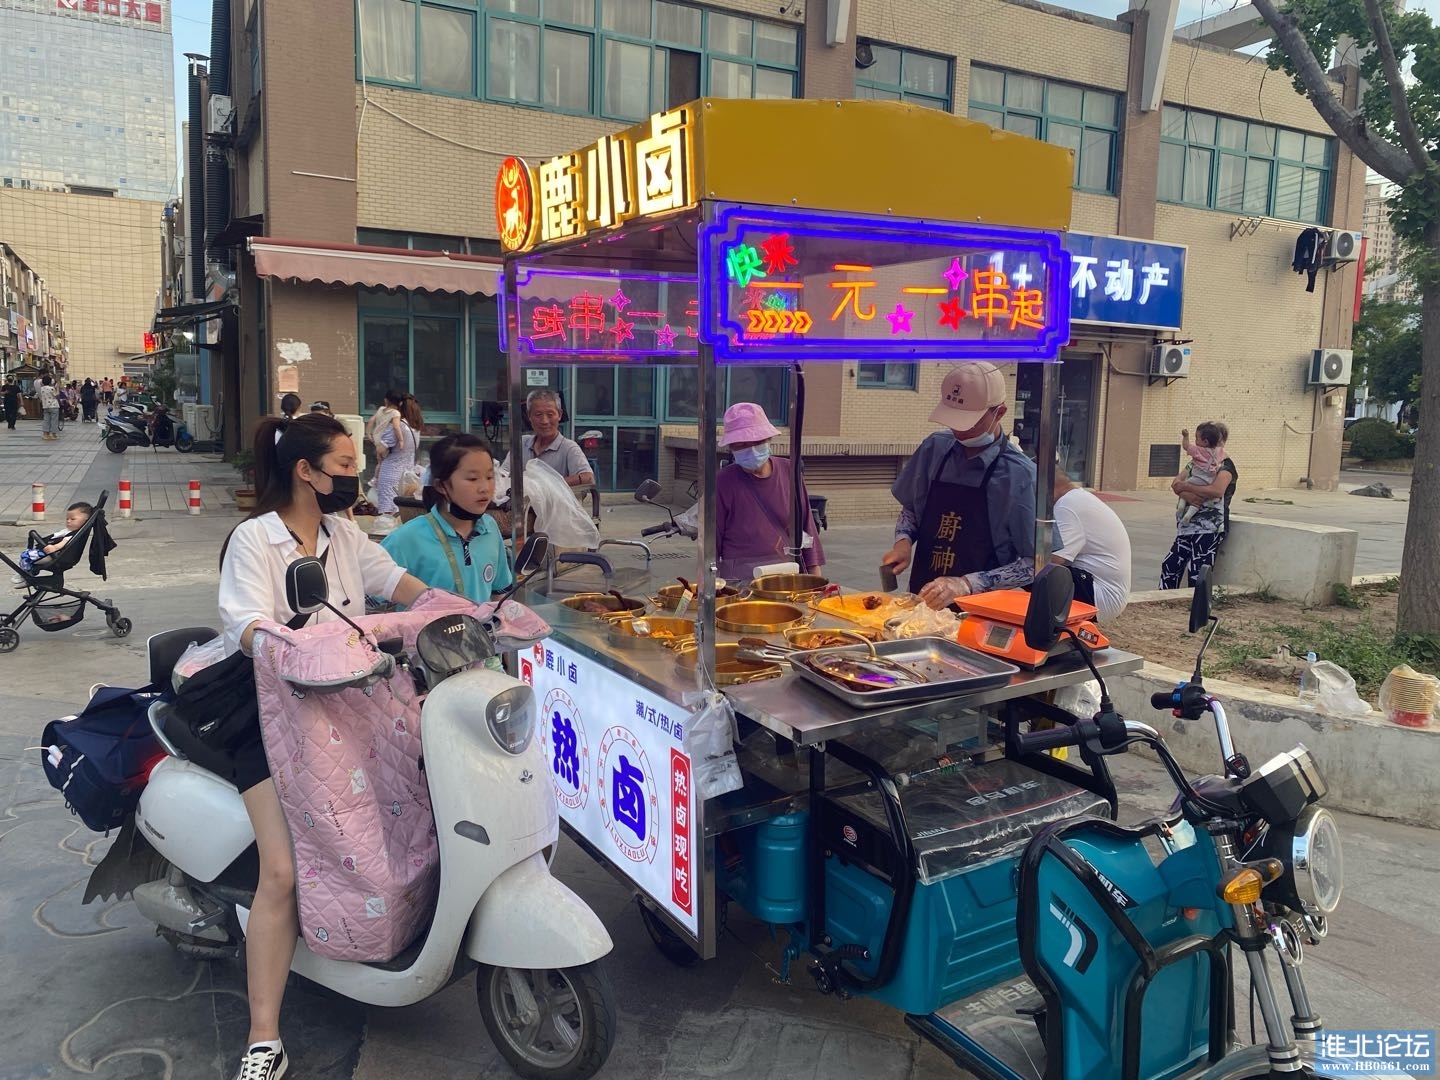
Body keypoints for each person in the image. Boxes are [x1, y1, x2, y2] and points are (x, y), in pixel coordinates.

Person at [217, 412, 429, 1080]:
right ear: (305, 471)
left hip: (343, 700)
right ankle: (264, 1039)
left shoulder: (345, 533)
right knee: (280, 870)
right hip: (262, 705)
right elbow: (245, 623)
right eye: (343, 466)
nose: (354, 478)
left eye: (356, 466)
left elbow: (398, 585)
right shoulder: (255, 538)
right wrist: (296, 648)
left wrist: (458, 611)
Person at [882, 363, 1036, 610]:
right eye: (953, 419)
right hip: (922, 602)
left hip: (981, 611)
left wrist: (966, 584)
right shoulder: (934, 448)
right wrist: (903, 542)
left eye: (969, 422)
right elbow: (912, 507)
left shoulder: (1020, 475)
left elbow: (1036, 563)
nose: (958, 430)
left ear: (999, 413)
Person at [381, 433, 513, 603]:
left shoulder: (490, 528)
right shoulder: (406, 539)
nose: (485, 488)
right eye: (472, 478)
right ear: (441, 486)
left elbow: (500, 593)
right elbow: (370, 602)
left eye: (489, 477)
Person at [715, 402, 825, 581]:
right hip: (739, 581)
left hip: (786, 577)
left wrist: (816, 582)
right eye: (741, 445)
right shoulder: (723, 481)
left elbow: (807, 527)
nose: (751, 450)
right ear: (730, 448)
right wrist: (714, 586)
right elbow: (712, 541)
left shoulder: (789, 471)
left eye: (757, 442)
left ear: (768, 439)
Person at [1048, 467, 1131, 624]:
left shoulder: (1066, 505)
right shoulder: (1077, 498)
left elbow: (1055, 559)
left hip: (1100, 596)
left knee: (1033, 571)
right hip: (1105, 591)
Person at [1161, 423, 1237, 590]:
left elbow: (1217, 491)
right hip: (1188, 526)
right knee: (1171, 564)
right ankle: (1164, 598)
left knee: (1198, 571)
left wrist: (1187, 487)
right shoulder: (1196, 462)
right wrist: (1189, 495)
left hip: (1209, 527)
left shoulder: (1225, 465)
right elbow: (1176, 484)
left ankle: (1196, 602)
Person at [502, 389, 594, 488]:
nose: (544, 421)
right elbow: (503, 474)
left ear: (559, 415)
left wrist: (546, 485)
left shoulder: (569, 448)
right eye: (538, 415)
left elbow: (588, 478)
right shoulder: (521, 443)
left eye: (550, 414)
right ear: (529, 415)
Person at [373, 389, 422, 516]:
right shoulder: (415, 428)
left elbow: (382, 448)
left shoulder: (398, 426)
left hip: (391, 473)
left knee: (388, 512)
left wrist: (377, 444)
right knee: (403, 511)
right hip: (407, 474)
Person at [17, 501, 92, 574]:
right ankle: (26, 572)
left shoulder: (72, 535)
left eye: (73, 519)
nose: (68, 521)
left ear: (85, 521)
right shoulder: (67, 531)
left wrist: (54, 547)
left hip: (53, 555)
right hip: (50, 553)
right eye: (67, 519)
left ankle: (25, 575)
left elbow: (63, 543)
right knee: (26, 555)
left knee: (26, 557)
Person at [1178, 423, 1226, 524]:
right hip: (1208, 481)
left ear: (1205, 442)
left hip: (1196, 478)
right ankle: (1188, 515)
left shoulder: (1198, 450)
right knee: (1199, 500)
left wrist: (1185, 436)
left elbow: (1186, 446)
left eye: (1197, 439)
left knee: (1183, 488)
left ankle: (1181, 506)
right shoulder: (1219, 452)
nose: (1195, 441)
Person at [38, 376, 61, 441]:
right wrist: (57, 388)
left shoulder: (42, 389)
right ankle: (53, 434)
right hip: (54, 406)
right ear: (50, 382)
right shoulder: (51, 388)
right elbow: (56, 395)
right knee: (54, 420)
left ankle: (45, 434)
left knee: (46, 420)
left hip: (45, 406)